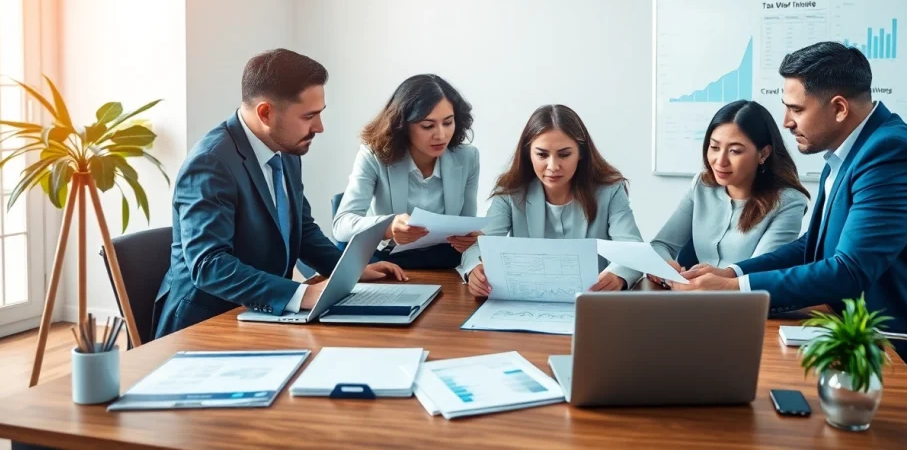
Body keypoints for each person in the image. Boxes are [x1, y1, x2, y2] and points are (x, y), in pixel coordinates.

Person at [670, 42, 907, 404]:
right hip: (840, 334)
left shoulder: (890, 154)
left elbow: (849, 271)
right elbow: (811, 247)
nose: (786, 122)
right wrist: (733, 274)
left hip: (889, 352)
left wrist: (735, 290)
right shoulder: (849, 152)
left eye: (795, 109)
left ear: (838, 108)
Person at [153, 49, 406, 338]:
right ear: (265, 113)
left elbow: (302, 230)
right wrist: (301, 294)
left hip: (258, 316)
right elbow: (209, 266)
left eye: (320, 114)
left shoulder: (285, 149)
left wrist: (346, 272)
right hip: (205, 327)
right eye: (309, 116)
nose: (319, 127)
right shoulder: (211, 163)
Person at [461, 104, 643, 297]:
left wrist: (617, 277)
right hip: (528, 299)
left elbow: (633, 249)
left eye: (564, 155)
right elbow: (478, 244)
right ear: (528, 153)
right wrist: (475, 270)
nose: (553, 166)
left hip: (591, 302)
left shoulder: (609, 190)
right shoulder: (510, 192)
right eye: (542, 155)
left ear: (581, 153)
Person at [333, 74, 480, 270]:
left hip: (446, 263)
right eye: (427, 126)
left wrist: (472, 239)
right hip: (386, 262)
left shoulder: (468, 158)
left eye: (448, 122)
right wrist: (387, 227)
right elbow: (342, 225)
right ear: (402, 125)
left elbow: (466, 227)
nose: (441, 135)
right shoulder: (374, 154)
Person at [649, 100, 809, 277]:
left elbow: (761, 270)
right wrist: (666, 265)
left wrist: (721, 277)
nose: (720, 161)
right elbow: (661, 245)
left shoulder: (789, 201)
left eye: (735, 151)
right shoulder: (702, 185)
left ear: (763, 154)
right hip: (694, 296)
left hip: (743, 301)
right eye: (715, 147)